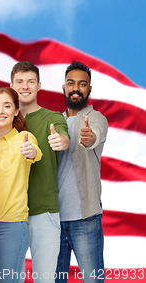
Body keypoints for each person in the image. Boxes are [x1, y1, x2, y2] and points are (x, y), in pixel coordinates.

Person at [10, 62, 70, 282]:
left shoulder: (52, 118)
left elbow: (63, 138)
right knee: (8, 277)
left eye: (30, 82)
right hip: (9, 213)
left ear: (39, 86)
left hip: (44, 211)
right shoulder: (3, 121)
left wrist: (60, 141)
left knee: (44, 278)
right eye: (20, 82)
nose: (25, 86)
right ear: (11, 85)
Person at [0, 87, 42, 283]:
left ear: (16, 110)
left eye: (7, 106)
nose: (0, 111)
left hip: (12, 226)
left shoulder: (24, 139)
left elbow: (34, 152)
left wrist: (29, 151)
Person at [55, 61, 108, 283]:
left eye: (82, 84)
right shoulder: (53, 122)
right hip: (53, 221)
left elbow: (96, 133)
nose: (76, 88)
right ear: (64, 87)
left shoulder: (95, 118)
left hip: (85, 220)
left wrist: (90, 137)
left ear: (89, 89)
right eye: (71, 83)